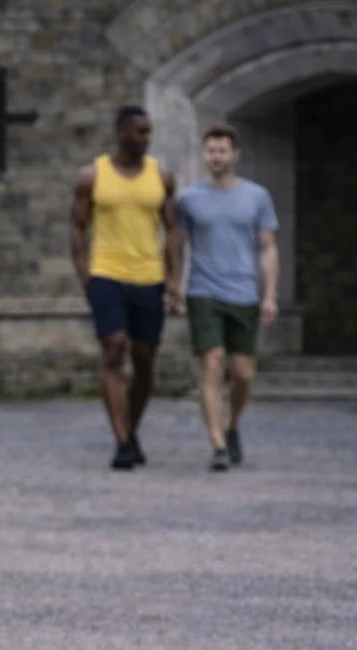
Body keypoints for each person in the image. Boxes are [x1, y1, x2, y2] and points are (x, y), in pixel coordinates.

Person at [71, 105, 180, 471]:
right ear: (121, 133)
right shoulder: (92, 175)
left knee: (145, 359)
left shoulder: (162, 177)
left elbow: (173, 230)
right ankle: (121, 441)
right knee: (114, 348)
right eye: (140, 132)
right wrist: (86, 275)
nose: (146, 139)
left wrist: (175, 279)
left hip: (149, 277)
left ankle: (130, 431)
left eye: (149, 132)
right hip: (107, 273)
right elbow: (77, 228)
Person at [168, 123, 280, 471]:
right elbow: (176, 245)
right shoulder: (188, 199)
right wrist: (174, 285)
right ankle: (216, 444)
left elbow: (267, 247)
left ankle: (232, 427)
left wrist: (270, 295)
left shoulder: (257, 197)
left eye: (221, 151)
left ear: (235, 155)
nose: (215, 157)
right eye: (210, 151)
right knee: (212, 362)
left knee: (243, 373)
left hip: (243, 292)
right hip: (204, 292)